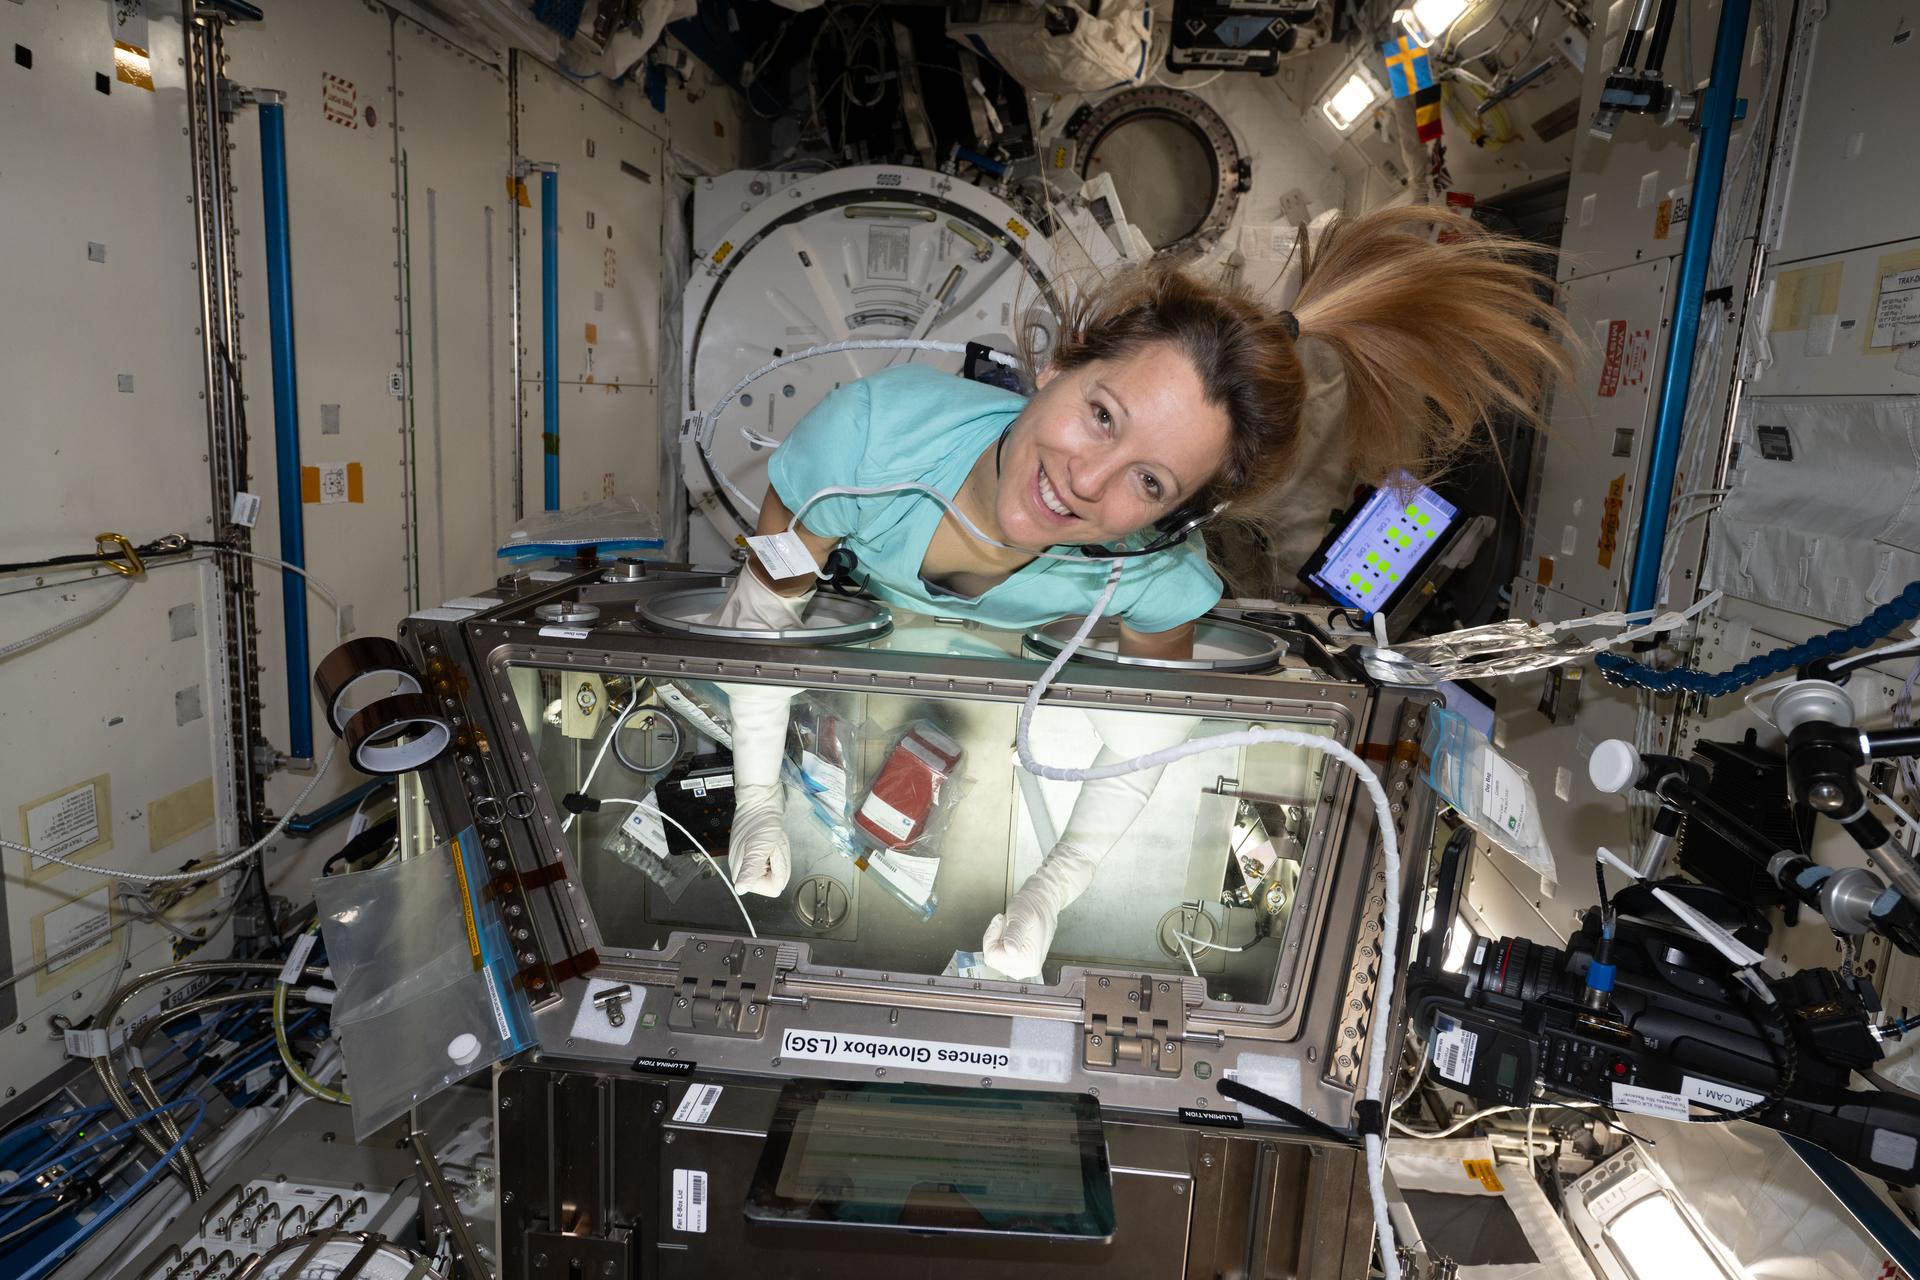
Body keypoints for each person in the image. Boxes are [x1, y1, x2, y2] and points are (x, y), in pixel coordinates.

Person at [704, 205, 1571, 977]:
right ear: (1057, 368)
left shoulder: (1152, 575)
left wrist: (1053, 888)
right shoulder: (864, 439)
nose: (1086, 479)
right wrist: (758, 803)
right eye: (1102, 415)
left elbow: (1141, 744)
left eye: (1149, 483)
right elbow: (762, 620)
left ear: (1177, 519)